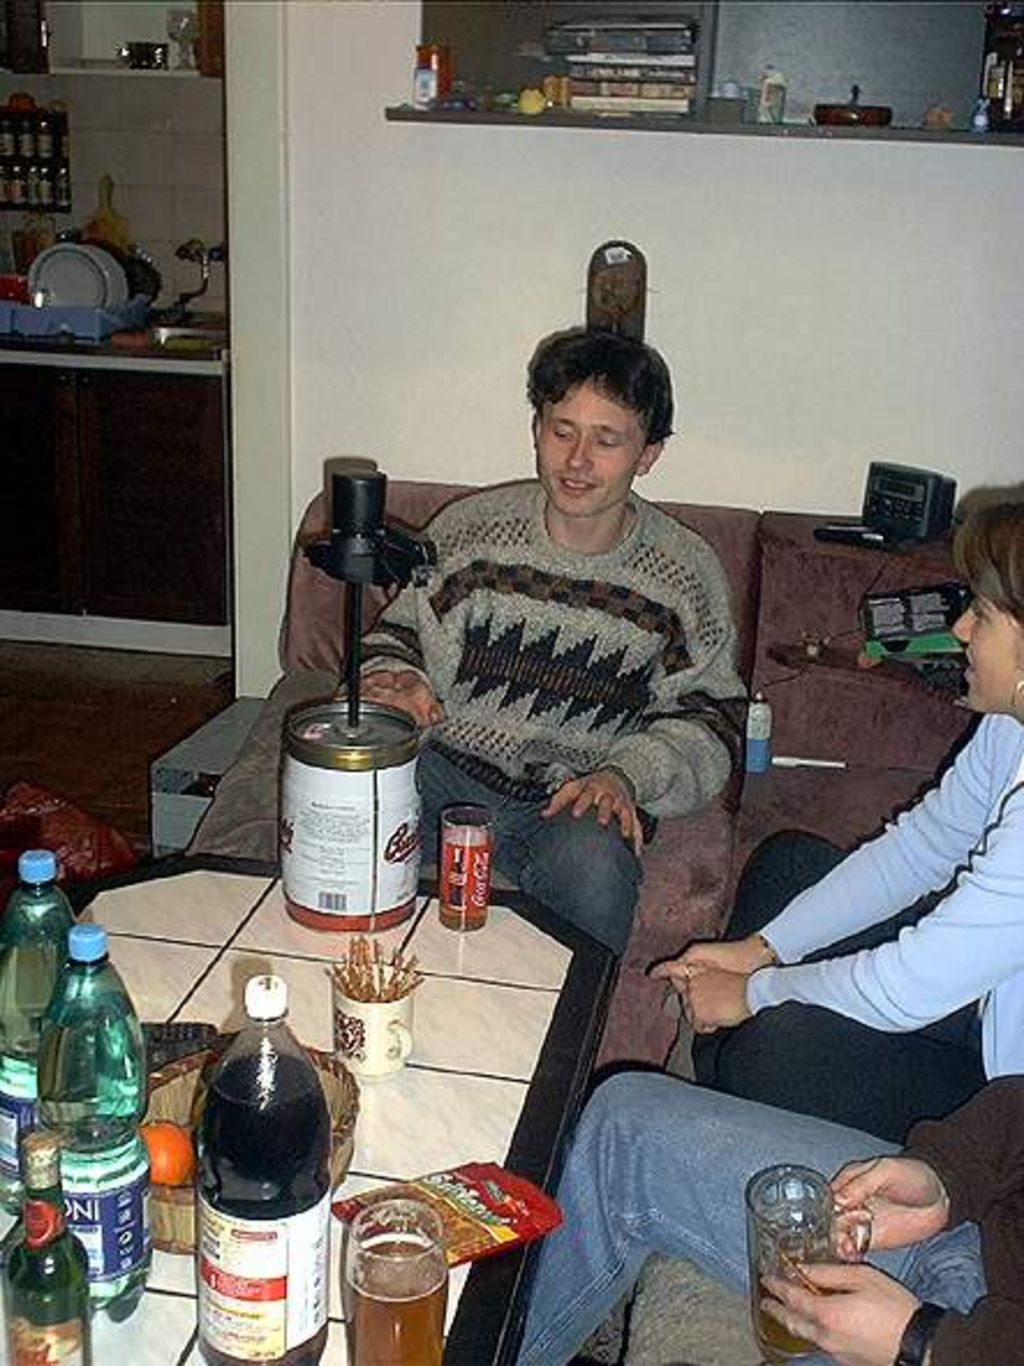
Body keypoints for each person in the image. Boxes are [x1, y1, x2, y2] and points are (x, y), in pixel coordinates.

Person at [358, 327, 745, 954]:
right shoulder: (470, 533)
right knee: (348, 804)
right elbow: (399, 637)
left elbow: (712, 717)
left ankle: (573, 1019)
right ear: (537, 428)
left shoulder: (684, 575)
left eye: (607, 440)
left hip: (577, 798)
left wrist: (626, 776)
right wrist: (397, 684)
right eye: (562, 431)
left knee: (594, 867)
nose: (577, 461)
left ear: (648, 453)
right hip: (444, 772)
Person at [654, 500, 1024, 1141]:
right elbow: (922, 848)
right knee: (789, 866)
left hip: (1008, 1102)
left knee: (776, 1048)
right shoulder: (1010, 724)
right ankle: (716, 1092)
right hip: (992, 1001)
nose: (961, 627)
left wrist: (754, 992)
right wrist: (758, 952)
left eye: (983, 616)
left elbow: (909, 985)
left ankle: (711, 1099)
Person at [516, 1072, 1022, 1366]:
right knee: (626, 1117)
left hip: (966, 1346)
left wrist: (928, 1343)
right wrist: (944, 1176)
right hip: (981, 1226)